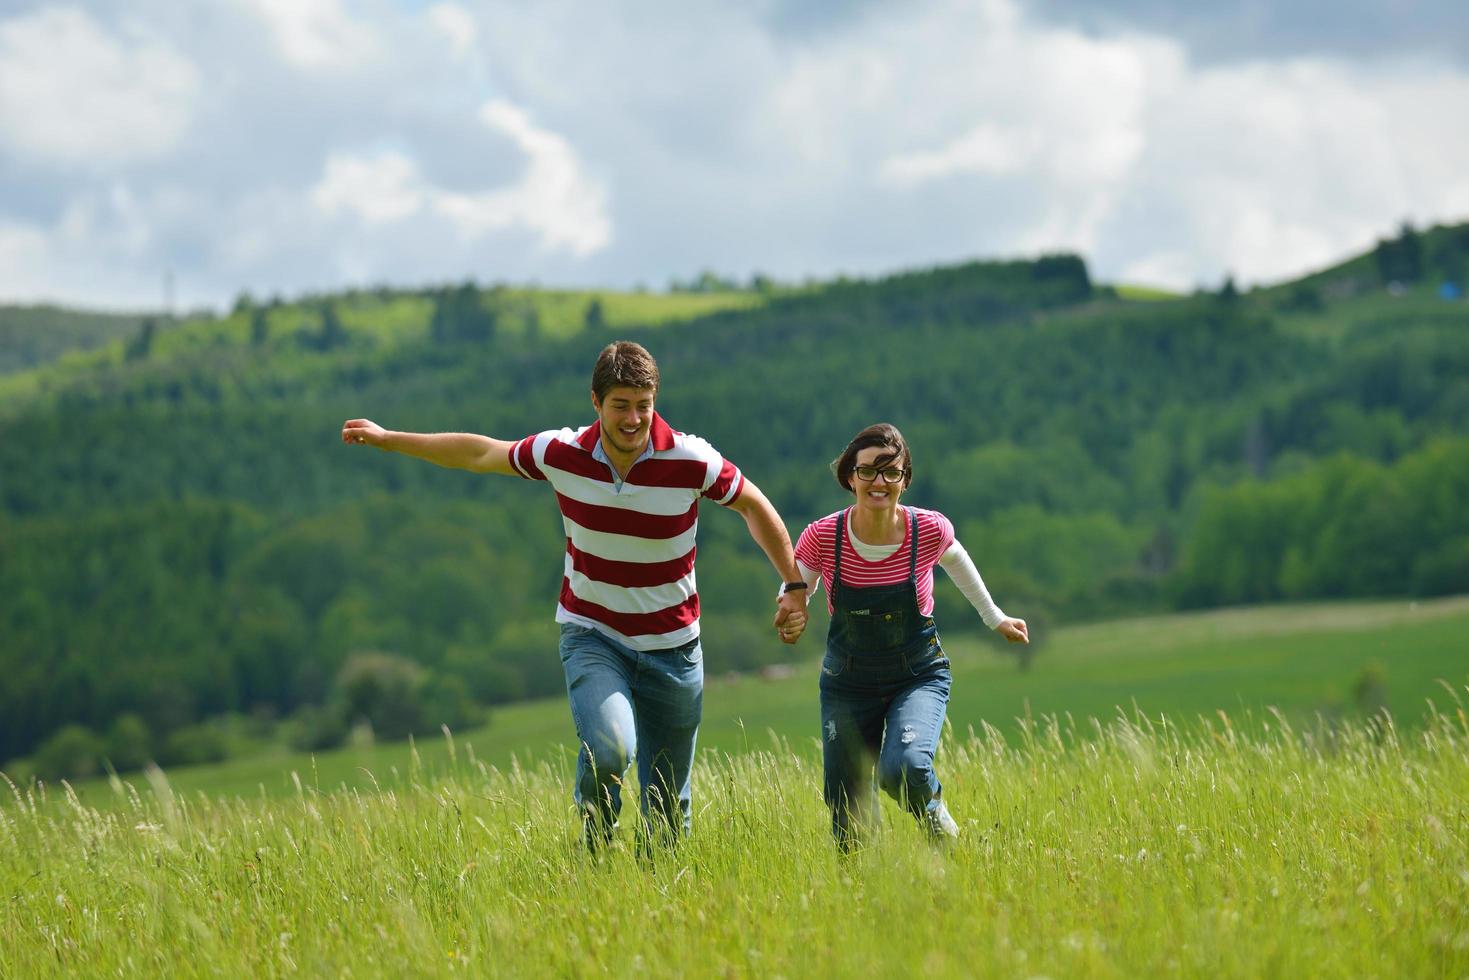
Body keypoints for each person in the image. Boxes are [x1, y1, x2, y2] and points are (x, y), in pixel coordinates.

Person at [341, 341, 809, 850]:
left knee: (669, 805)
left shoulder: (691, 459)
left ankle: (660, 901)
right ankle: (595, 848)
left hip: (675, 649)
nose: (634, 419)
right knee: (609, 751)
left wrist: (793, 583)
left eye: (643, 405)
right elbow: (479, 452)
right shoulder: (560, 454)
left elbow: (753, 504)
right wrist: (390, 439)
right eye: (620, 405)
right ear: (595, 401)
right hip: (595, 637)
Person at [784, 423, 1027, 850]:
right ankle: (859, 893)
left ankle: (934, 814)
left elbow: (958, 562)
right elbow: (795, 587)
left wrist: (996, 618)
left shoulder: (927, 530)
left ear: (905, 480)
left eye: (890, 472)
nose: (879, 482)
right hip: (847, 682)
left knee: (905, 767)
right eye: (868, 471)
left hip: (916, 674)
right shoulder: (824, 536)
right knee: (846, 803)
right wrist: (790, 610)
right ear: (849, 477)